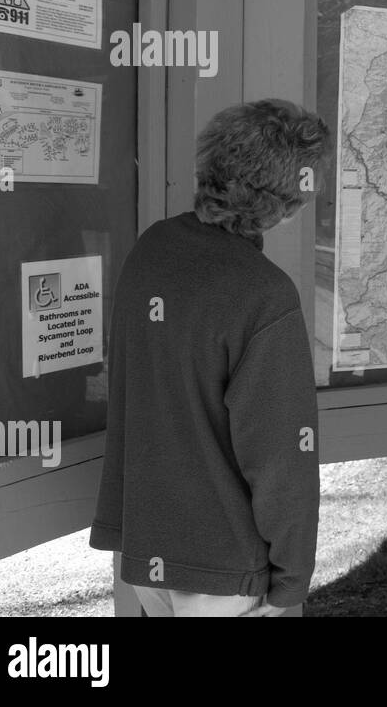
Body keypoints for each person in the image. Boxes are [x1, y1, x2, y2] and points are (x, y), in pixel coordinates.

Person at [90, 99, 332, 617]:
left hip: (148, 550)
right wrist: (291, 581)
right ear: (287, 200)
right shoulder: (264, 294)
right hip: (225, 570)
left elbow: (133, 395)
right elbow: (281, 459)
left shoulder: (151, 249)